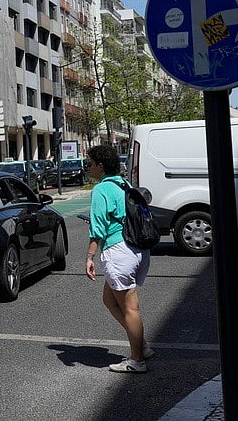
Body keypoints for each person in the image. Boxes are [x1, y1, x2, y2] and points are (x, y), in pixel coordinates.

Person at [84, 144, 153, 373]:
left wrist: (89, 257)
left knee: (130, 308)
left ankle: (137, 359)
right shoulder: (124, 184)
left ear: (100, 166)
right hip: (137, 248)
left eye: (90, 163)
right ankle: (140, 344)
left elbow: (98, 229)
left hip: (118, 251)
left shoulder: (101, 190)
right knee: (109, 299)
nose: (88, 167)